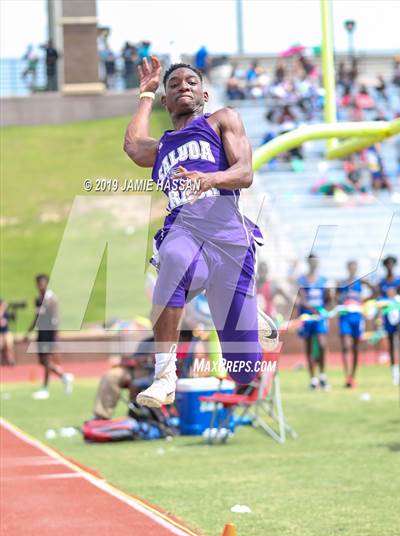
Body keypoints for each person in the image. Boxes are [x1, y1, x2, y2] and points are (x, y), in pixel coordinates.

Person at [124, 56, 278, 408]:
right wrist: (145, 95)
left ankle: (249, 316)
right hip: (184, 227)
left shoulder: (222, 120)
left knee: (242, 369)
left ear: (204, 94)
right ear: (167, 100)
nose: (183, 87)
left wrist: (210, 177)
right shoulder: (162, 146)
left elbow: (244, 172)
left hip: (227, 236)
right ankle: (165, 375)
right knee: (173, 260)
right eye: (174, 84)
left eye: (191, 83)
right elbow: (133, 145)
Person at [25, 274, 74, 399]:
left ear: (47, 284)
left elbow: (56, 317)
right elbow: (37, 317)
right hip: (41, 332)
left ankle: (45, 389)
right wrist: (28, 332)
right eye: (39, 283)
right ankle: (64, 377)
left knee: (47, 360)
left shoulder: (51, 298)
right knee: (42, 361)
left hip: (49, 332)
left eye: (43, 283)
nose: (41, 286)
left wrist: (56, 336)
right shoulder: (38, 299)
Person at [93, 336, 154, 420]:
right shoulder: (147, 341)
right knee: (111, 375)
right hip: (141, 370)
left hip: (161, 371)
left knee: (137, 383)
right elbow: (135, 360)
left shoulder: (175, 339)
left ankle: (139, 415)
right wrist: (129, 360)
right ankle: (101, 417)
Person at [336, 262, 374, 388]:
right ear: (347, 269)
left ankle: (353, 376)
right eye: (351, 267)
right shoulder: (342, 283)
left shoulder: (360, 282)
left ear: (357, 269)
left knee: (356, 348)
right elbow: (335, 298)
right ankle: (347, 376)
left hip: (357, 318)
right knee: (346, 346)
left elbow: (376, 291)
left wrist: (367, 285)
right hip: (345, 317)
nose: (353, 270)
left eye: (355, 268)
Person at [296, 254, 331, 390]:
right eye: (311, 261)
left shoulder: (323, 280)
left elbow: (328, 298)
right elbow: (301, 298)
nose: (313, 264)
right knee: (309, 346)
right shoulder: (302, 280)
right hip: (307, 316)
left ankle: (322, 375)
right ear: (308, 263)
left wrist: (325, 308)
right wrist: (311, 308)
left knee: (322, 344)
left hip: (320, 317)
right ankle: (313, 379)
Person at [377, 256, 400, 384]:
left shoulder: (399, 280)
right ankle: (394, 372)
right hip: (388, 317)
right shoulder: (382, 282)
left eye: (392, 264)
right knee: (392, 343)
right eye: (388, 264)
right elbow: (379, 299)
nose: (390, 266)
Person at [0, 299, 15, 366]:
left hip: (6, 332)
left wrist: (14, 311)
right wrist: (2, 311)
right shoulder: (2, 312)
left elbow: (13, 318)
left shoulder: (6, 313)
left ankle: (11, 359)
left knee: (9, 343)